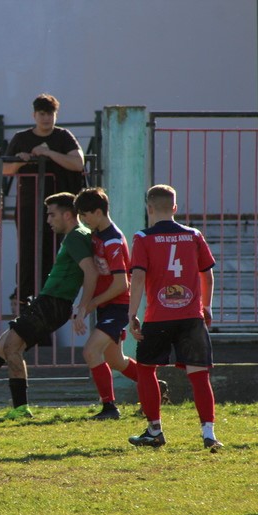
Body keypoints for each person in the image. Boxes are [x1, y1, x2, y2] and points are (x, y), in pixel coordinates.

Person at [0, 192, 97, 418]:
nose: (48, 220)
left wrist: (83, 308)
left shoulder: (76, 237)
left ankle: (21, 409)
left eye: (52, 215)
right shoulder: (75, 236)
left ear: (68, 215)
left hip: (52, 304)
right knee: (2, 346)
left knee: (12, 348)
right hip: (48, 302)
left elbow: (91, 272)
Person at [127, 184, 222, 452]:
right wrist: (207, 306)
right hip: (191, 316)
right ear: (175, 208)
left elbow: (138, 277)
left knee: (146, 369)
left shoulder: (142, 238)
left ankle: (154, 430)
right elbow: (207, 274)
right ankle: (209, 433)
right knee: (199, 374)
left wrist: (132, 314)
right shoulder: (193, 235)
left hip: (158, 316)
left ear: (149, 208)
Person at [74, 187, 169, 420]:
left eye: (85, 215)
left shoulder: (113, 241)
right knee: (115, 360)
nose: (83, 220)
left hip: (117, 306)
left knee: (91, 351)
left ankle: (109, 407)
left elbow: (121, 285)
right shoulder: (97, 234)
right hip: (106, 305)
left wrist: (90, 305)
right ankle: (156, 386)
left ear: (98, 212)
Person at [4, 94, 85, 312]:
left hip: (58, 209)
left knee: (53, 252)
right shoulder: (21, 138)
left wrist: (47, 153)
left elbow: (78, 163)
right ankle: (24, 299)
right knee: (27, 252)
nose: (46, 118)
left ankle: (49, 297)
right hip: (28, 206)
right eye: (42, 114)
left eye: (50, 114)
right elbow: (5, 169)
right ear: (34, 115)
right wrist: (21, 161)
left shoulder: (63, 137)